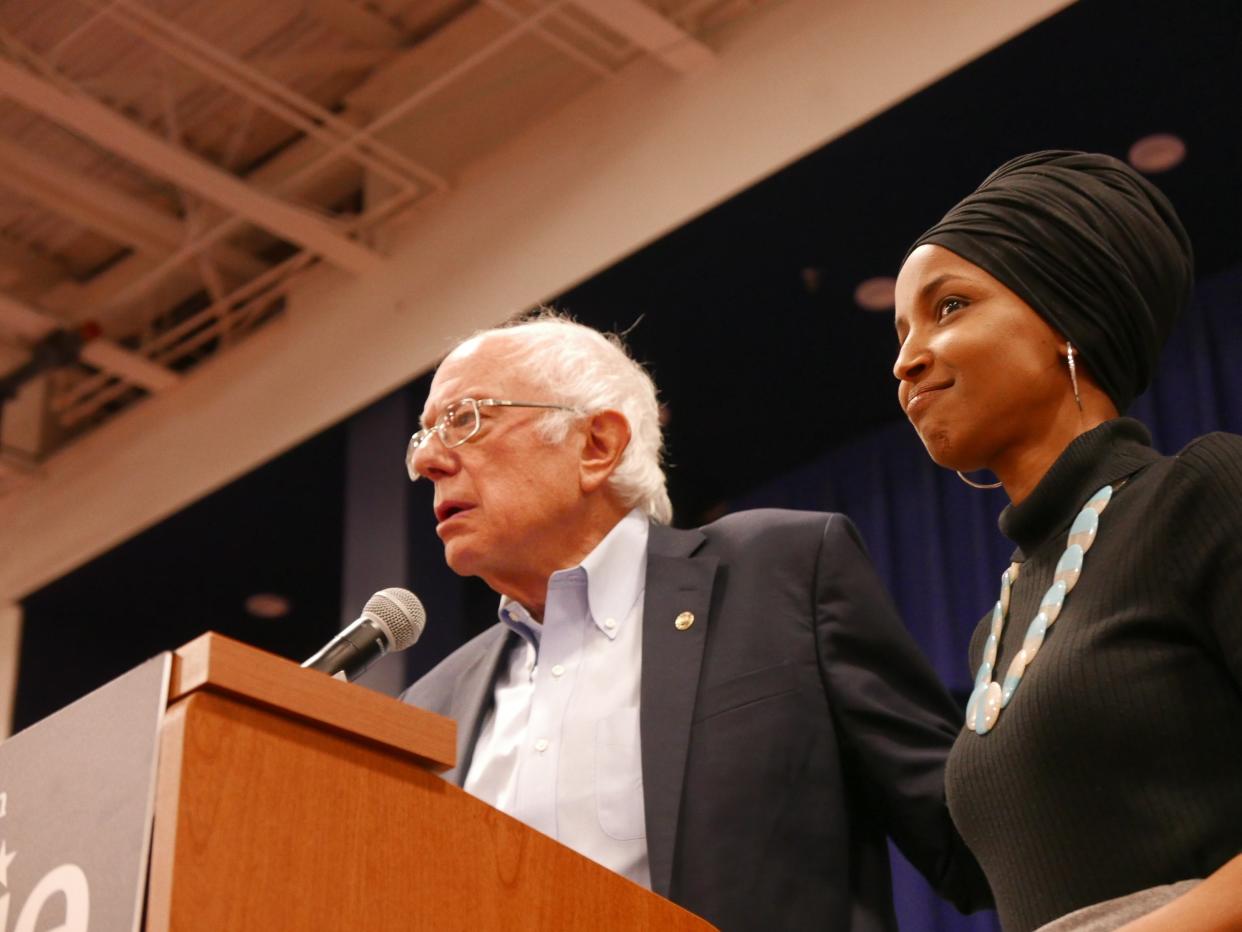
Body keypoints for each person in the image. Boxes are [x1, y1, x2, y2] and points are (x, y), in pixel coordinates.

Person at [400, 313, 990, 930]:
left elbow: (968, 840)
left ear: (596, 445)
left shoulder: (780, 574)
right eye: (422, 437)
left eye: (465, 420)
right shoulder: (434, 702)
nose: (429, 461)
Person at [892, 150, 1242, 932]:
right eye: (902, 328)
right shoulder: (999, 626)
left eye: (949, 306)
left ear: (1068, 323)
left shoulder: (1202, 496)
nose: (906, 358)